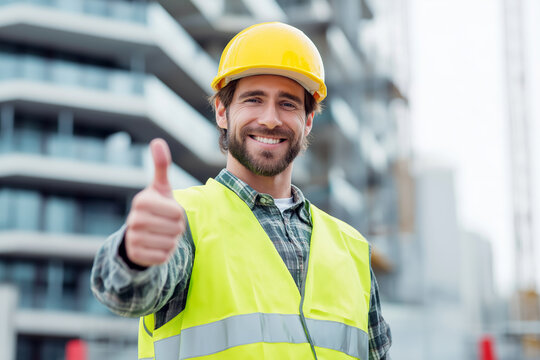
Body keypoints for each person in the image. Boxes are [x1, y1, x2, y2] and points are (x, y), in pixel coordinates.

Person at [91, 22, 391, 360]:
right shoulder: (183, 222)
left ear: (308, 121)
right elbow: (125, 293)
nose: (270, 118)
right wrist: (135, 256)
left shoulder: (352, 250)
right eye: (254, 99)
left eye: (288, 104)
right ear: (222, 111)